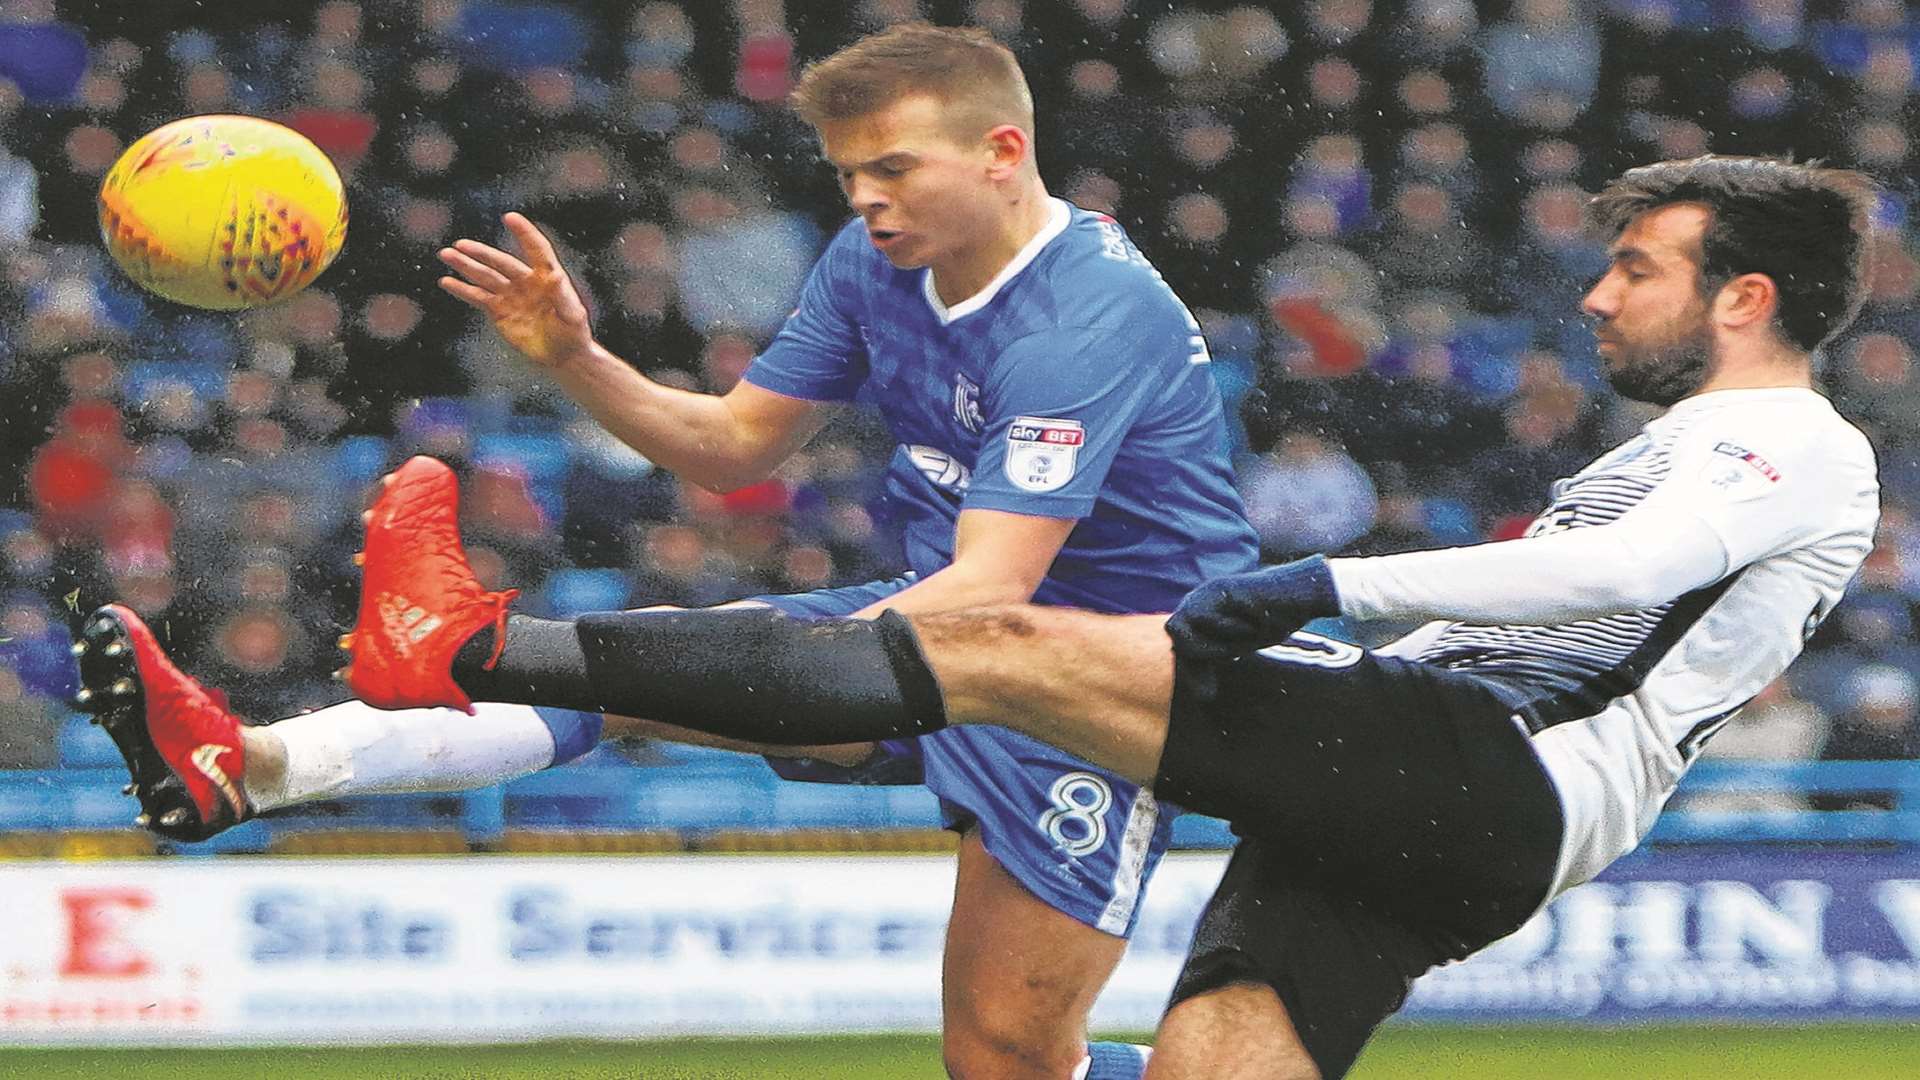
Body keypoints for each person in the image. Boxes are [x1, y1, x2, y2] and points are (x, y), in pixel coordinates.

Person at [72, 153, 1881, 1078]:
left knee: (987, 655)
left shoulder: (1791, 442)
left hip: (1487, 775)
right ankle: (271, 759)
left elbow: (1611, 587)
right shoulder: (1711, 441)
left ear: (1744, 297)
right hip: (1440, 798)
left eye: (1634, 267)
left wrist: (1328, 584)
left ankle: (469, 643)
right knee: (950, 736)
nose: (1591, 292)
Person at [86, 23, 1257, 1080]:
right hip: (969, 627)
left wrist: (758, 662)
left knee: (1006, 1060)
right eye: (849, 172)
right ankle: (248, 767)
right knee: (625, 671)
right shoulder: (873, 261)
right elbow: (732, 448)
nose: (865, 198)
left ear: (1003, 152)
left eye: (893, 168)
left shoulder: (1087, 320)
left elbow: (997, 585)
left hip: (1111, 679)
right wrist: (573, 356)